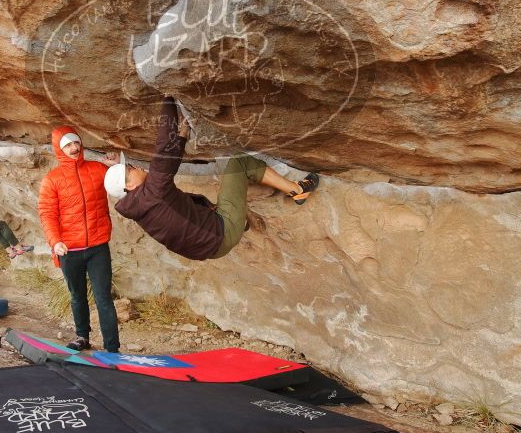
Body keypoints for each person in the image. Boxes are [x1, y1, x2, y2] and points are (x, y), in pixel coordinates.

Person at [104, 96, 319, 261]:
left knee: (195, 203)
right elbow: (164, 149)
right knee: (239, 162)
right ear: (130, 185)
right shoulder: (153, 191)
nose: (137, 166)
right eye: (131, 168)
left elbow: (160, 166)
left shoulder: (137, 206)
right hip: (220, 234)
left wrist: (181, 138)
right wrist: (168, 97)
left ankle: (239, 218)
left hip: (207, 249)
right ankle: (298, 190)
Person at [38, 127, 120, 353]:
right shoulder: (52, 179)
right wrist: (55, 241)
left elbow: (122, 182)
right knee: (77, 296)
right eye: (67, 145)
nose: (74, 148)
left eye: (76, 143)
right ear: (59, 149)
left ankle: (113, 349)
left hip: (98, 247)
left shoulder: (98, 169)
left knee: (104, 298)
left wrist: (117, 165)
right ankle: (83, 336)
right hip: (68, 250)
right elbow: (47, 213)